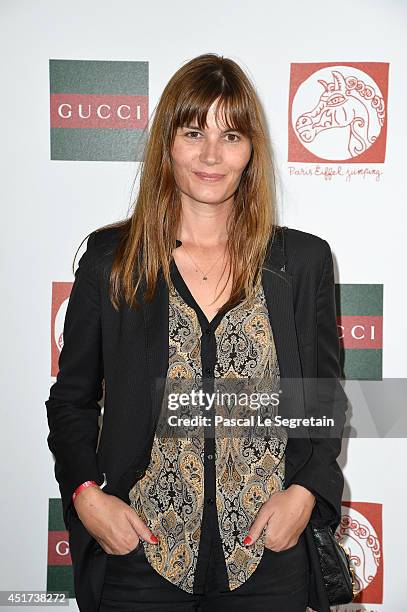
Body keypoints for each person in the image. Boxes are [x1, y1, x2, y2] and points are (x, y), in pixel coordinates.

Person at [46, 53, 348, 612]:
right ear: (167, 144)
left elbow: (322, 402)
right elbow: (72, 402)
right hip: (140, 554)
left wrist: (305, 494)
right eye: (193, 132)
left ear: (251, 150)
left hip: (267, 558)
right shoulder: (113, 261)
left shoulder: (301, 262)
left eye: (231, 135)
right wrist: (88, 499)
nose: (212, 155)